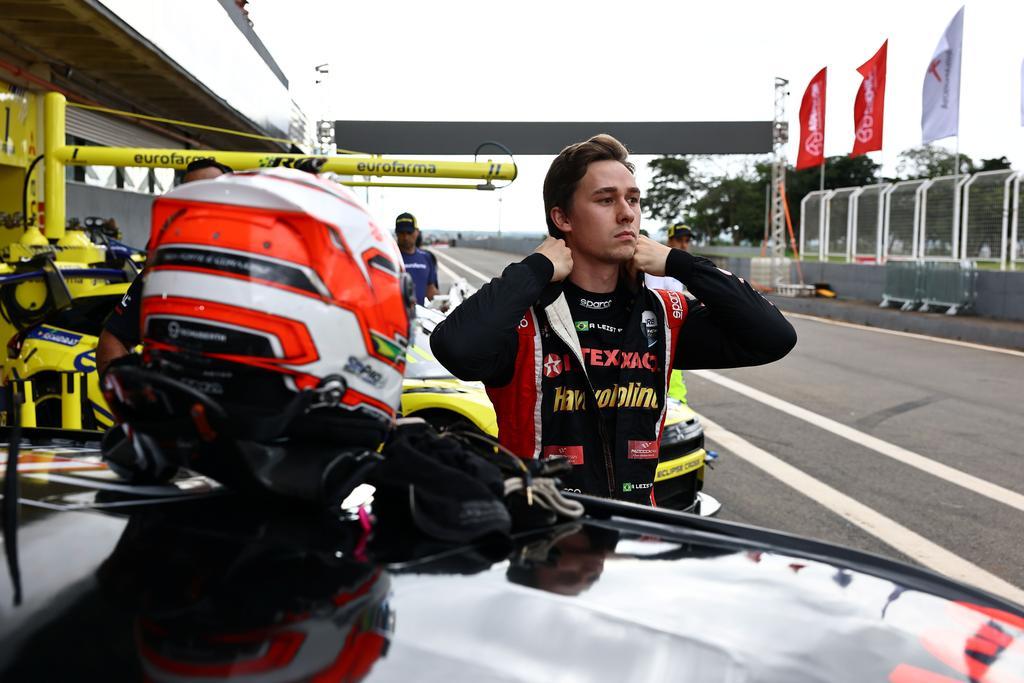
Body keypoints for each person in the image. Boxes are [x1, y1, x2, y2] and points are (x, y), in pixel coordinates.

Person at [430, 134, 796, 506]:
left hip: (635, 535)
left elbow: (774, 337)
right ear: (563, 218)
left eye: (633, 199)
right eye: (606, 199)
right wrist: (535, 268)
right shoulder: (524, 318)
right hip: (544, 538)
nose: (627, 213)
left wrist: (680, 264)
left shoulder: (663, 314)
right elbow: (455, 347)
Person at [96, 159, 232, 376]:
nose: (200, 206)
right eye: (189, 196)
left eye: (210, 194)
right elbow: (113, 340)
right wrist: (128, 398)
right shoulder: (162, 268)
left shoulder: (268, 267)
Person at [644, 223, 694, 403]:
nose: (684, 244)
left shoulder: (677, 266)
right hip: (660, 327)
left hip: (674, 326)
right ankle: (672, 404)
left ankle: (676, 402)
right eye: (680, 240)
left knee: (674, 371)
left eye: (687, 241)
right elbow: (656, 296)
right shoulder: (659, 263)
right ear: (670, 240)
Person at [395, 212, 438, 303]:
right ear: (396, 233)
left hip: (419, 315)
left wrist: (440, 303)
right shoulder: (389, 257)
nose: (405, 237)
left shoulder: (427, 257)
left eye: (409, 232)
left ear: (417, 232)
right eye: (401, 233)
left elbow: (430, 288)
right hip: (394, 315)